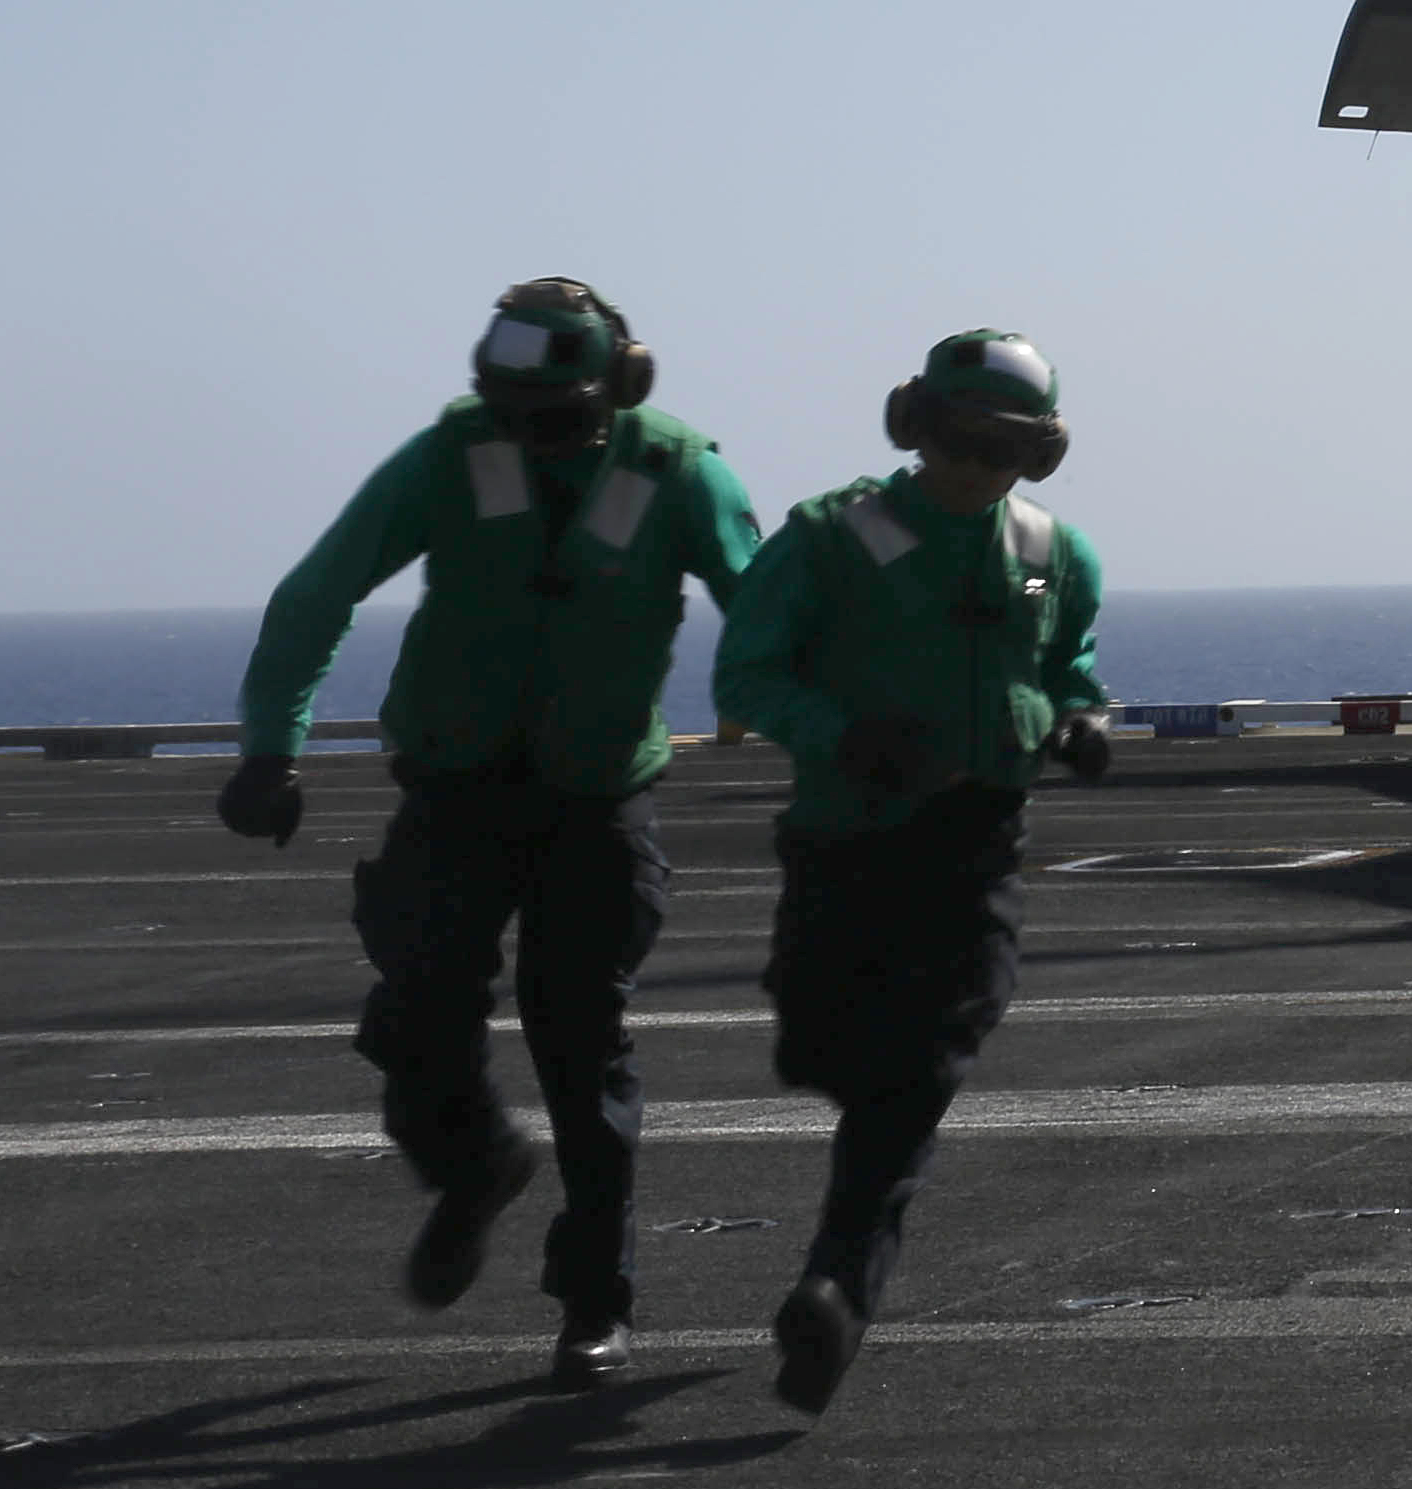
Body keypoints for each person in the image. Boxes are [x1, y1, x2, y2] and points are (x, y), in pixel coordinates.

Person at [227, 279, 760, 1387]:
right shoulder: (448, 458)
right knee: (417, 1020)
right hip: (455, 792)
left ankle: (594, 1304)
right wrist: (272, 749)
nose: (531, 433)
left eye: (556, 414)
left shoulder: (677, 471)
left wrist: (817, 716)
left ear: (617, 388)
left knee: (584, 1048)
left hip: (593, 800)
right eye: (513, 410)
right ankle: (473, 1168)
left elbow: (767, 604)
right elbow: (319, 590)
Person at [711, 326, 1112, 1415]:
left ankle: (837, 1287)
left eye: (1010, 449)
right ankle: (839, 1263)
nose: (982, 469)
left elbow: (1068, 660)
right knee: (825, 1047)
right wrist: (844, 735)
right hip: (848, 838)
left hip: (975, 842)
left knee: (923, 1065)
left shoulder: (1049, 551)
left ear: (1041, 453)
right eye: (964, 441)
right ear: (917, 429)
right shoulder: (832, 538)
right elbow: (747, 671)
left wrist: (1077, 718)